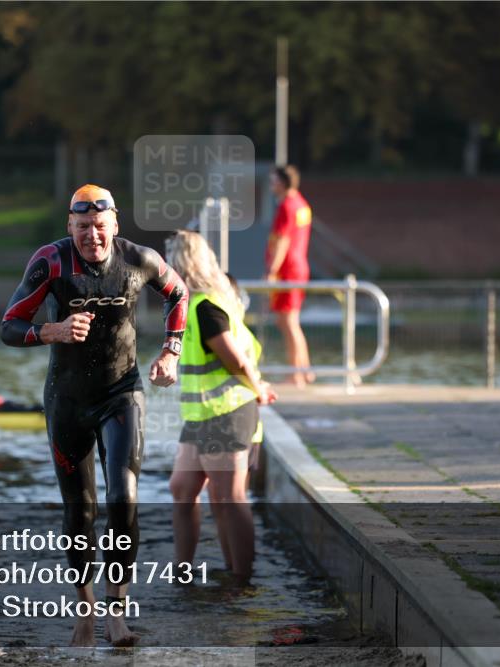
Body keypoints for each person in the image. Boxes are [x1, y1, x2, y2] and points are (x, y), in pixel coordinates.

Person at [0, 184, 187, 647]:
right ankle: (85, 612)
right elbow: (9, 325)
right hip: (67, 401)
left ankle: (116, 613)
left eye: (100, 227)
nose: (92, 236)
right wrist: (53, 330)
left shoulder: (136, 259)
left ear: (115, 224)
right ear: (70, 226)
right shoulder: (52, 262)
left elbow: (178, 292)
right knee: (79, 511)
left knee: (123, 499)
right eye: (83, 227)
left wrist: (171, 352)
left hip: (122, 392)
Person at [166, 230, 277, 586]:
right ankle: (182, 573)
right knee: (182, 488)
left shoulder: (206, 307)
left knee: (230, 497)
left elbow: (236, 360)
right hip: (200, 415)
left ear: (183, 265)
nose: (164, 272)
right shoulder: (197, 303)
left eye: (170, 264)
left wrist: (258, 388)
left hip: (228, 412)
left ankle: (240, 580)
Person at [265, 165, 314, 387]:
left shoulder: (287, 206)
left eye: (274, 181)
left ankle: (296, 374)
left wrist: (272, 270)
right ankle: (304, 371)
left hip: (288, 270)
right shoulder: (302, 204)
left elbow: (283, 240)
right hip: (298, 266)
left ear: (283, 183)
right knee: (289, 320)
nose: (271, 185)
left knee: (288, 321)